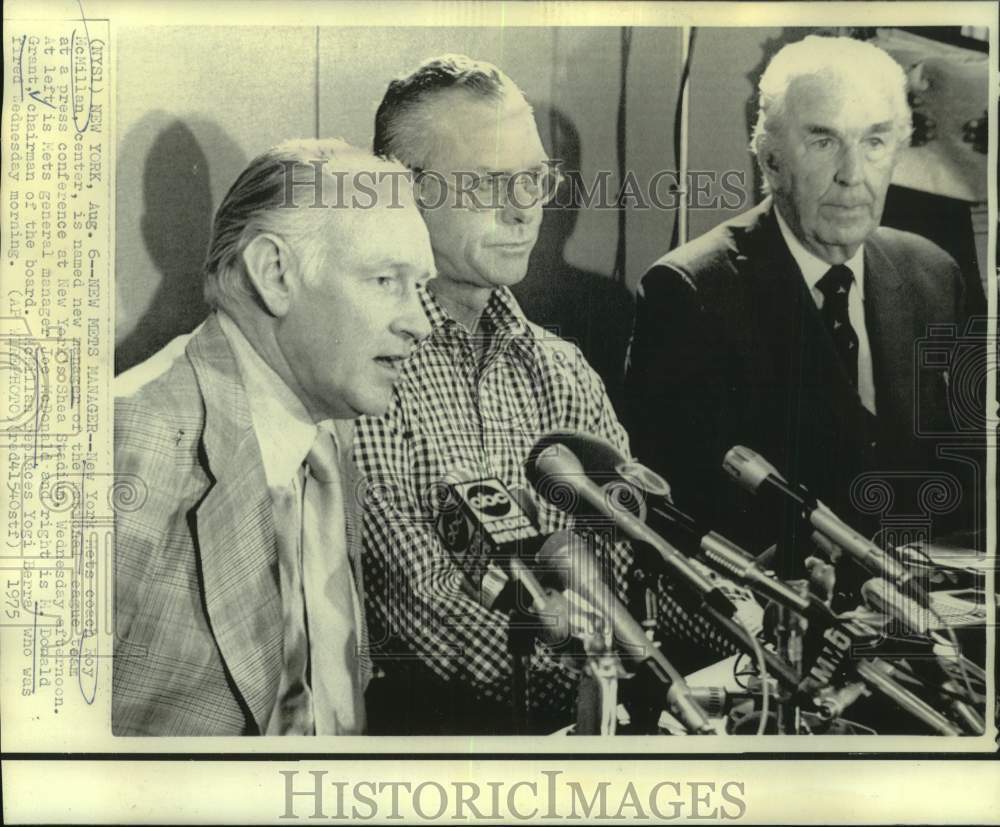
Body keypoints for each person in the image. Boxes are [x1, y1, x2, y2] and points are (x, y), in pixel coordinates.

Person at [354, 55, 639, 733]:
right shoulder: (359, 366)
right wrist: (613, 664)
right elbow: (424, 613)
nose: (523, 208)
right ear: (402, 191)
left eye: (535, 178)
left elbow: (625, 565)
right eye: (489, 181)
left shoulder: (564, 370)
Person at [112, 140, 436, 735]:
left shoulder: (327, 441)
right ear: (275, 274)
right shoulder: (134, 435)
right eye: (387, 280)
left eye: (422, 288)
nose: (419, 322)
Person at [625, 36, 981, 562]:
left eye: (875, 143)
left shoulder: (931, 273)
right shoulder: (691, 291)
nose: (852, 175)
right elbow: (678, 513)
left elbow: (964, 480)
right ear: (770, 159)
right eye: (823, 142)